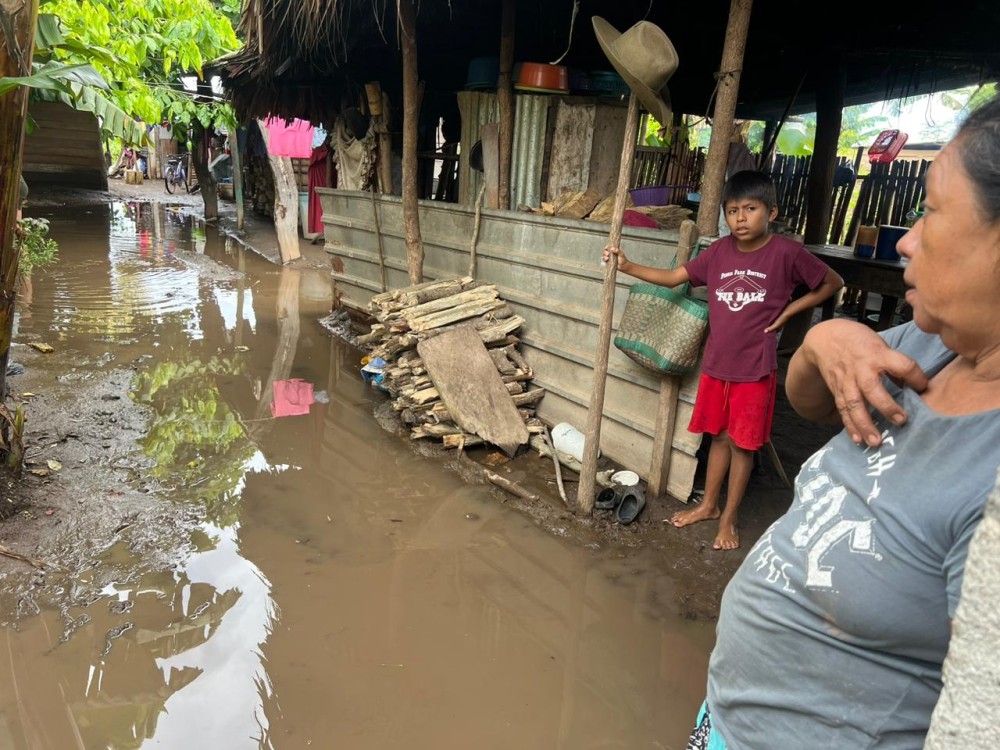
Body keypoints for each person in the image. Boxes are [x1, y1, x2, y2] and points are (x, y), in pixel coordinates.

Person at [685, 94, 1000, 748]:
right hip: (729, 719)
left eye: (934, 211)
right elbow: (810, 405)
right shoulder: (928, 343)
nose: (907, 239)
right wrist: (825, 343)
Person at [604, 170, 843, 550]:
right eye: (732, 211)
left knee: (743, 446)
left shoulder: (786, 253)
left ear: (772, 212)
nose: (741, 218)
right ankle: (709, 506)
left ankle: (729, 519)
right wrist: (627, 266)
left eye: (750, 209)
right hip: (718, 365)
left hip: (755, 369)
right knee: (718, 438)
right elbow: (672, 277)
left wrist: (790, 312)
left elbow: (832, 282)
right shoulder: (718, 252)